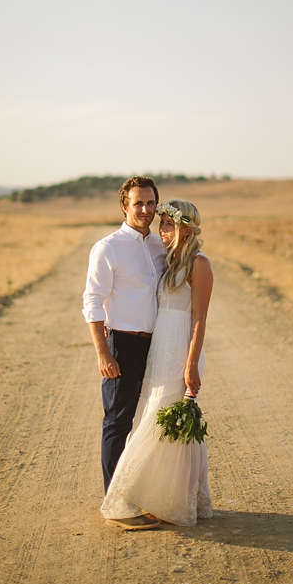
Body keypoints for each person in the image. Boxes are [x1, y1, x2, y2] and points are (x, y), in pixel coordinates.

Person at [100, 198, 214, 528]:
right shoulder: (169, 260)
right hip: (160, 346)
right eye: (161, 223)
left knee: (162, 419)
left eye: (168, 224)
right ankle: (162, 495)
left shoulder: (199, 263)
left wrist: (191, 364)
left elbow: (199, 318)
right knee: (158, 419)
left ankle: (157, 497)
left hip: (181, 348)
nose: (161, 229)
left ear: (186, 228)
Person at [83, 176, 167, 530]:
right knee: (118, 422)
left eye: (150, 204)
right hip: (122, 342)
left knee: (151, 422)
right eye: (138, 204)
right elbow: (92, 301)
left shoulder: (160, 246)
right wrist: (104, 353)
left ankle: (141, 495)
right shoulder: (109, 247)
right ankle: (114, 503)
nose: (145, 210)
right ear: (124, 207)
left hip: (158, 343)